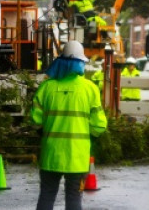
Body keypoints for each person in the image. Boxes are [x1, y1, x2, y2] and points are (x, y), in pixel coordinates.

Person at [31, 40, 107, 210]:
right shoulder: (89, 89)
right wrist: (90, 138)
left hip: (51, 155)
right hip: (77, 157)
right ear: (80, 63)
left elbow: (35, 120)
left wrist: (44, 132)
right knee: (74, 198)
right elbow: (99, 125)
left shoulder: (46, 87)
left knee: (47, 196)